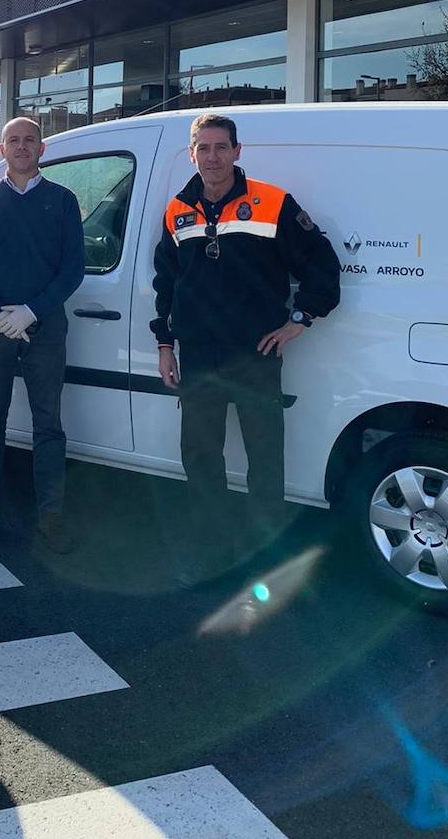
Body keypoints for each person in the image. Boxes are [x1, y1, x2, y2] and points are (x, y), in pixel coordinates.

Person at [152, 112, 340, 585]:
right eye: (203, 148)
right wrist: (164, 343)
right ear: (191, 153)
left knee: (264, 457)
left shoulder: (271, 202)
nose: (212, 157)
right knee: (200, 456)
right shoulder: (178, 208)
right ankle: (213, 551)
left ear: (238, 151)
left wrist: (301, 319)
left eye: (221, 147)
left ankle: (267, 554)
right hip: (199, 355)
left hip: (256, 353)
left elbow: (322, 264)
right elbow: (167, 284)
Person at [0, 116, 85, 554]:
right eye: (14, 140)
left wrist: (30, 312)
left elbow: (73, 269)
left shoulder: (63, 202)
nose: (22, 146)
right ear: (1, 150)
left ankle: (51, 515)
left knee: (48, 423)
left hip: (45, 327)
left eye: (30, 140)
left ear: (42, 149)